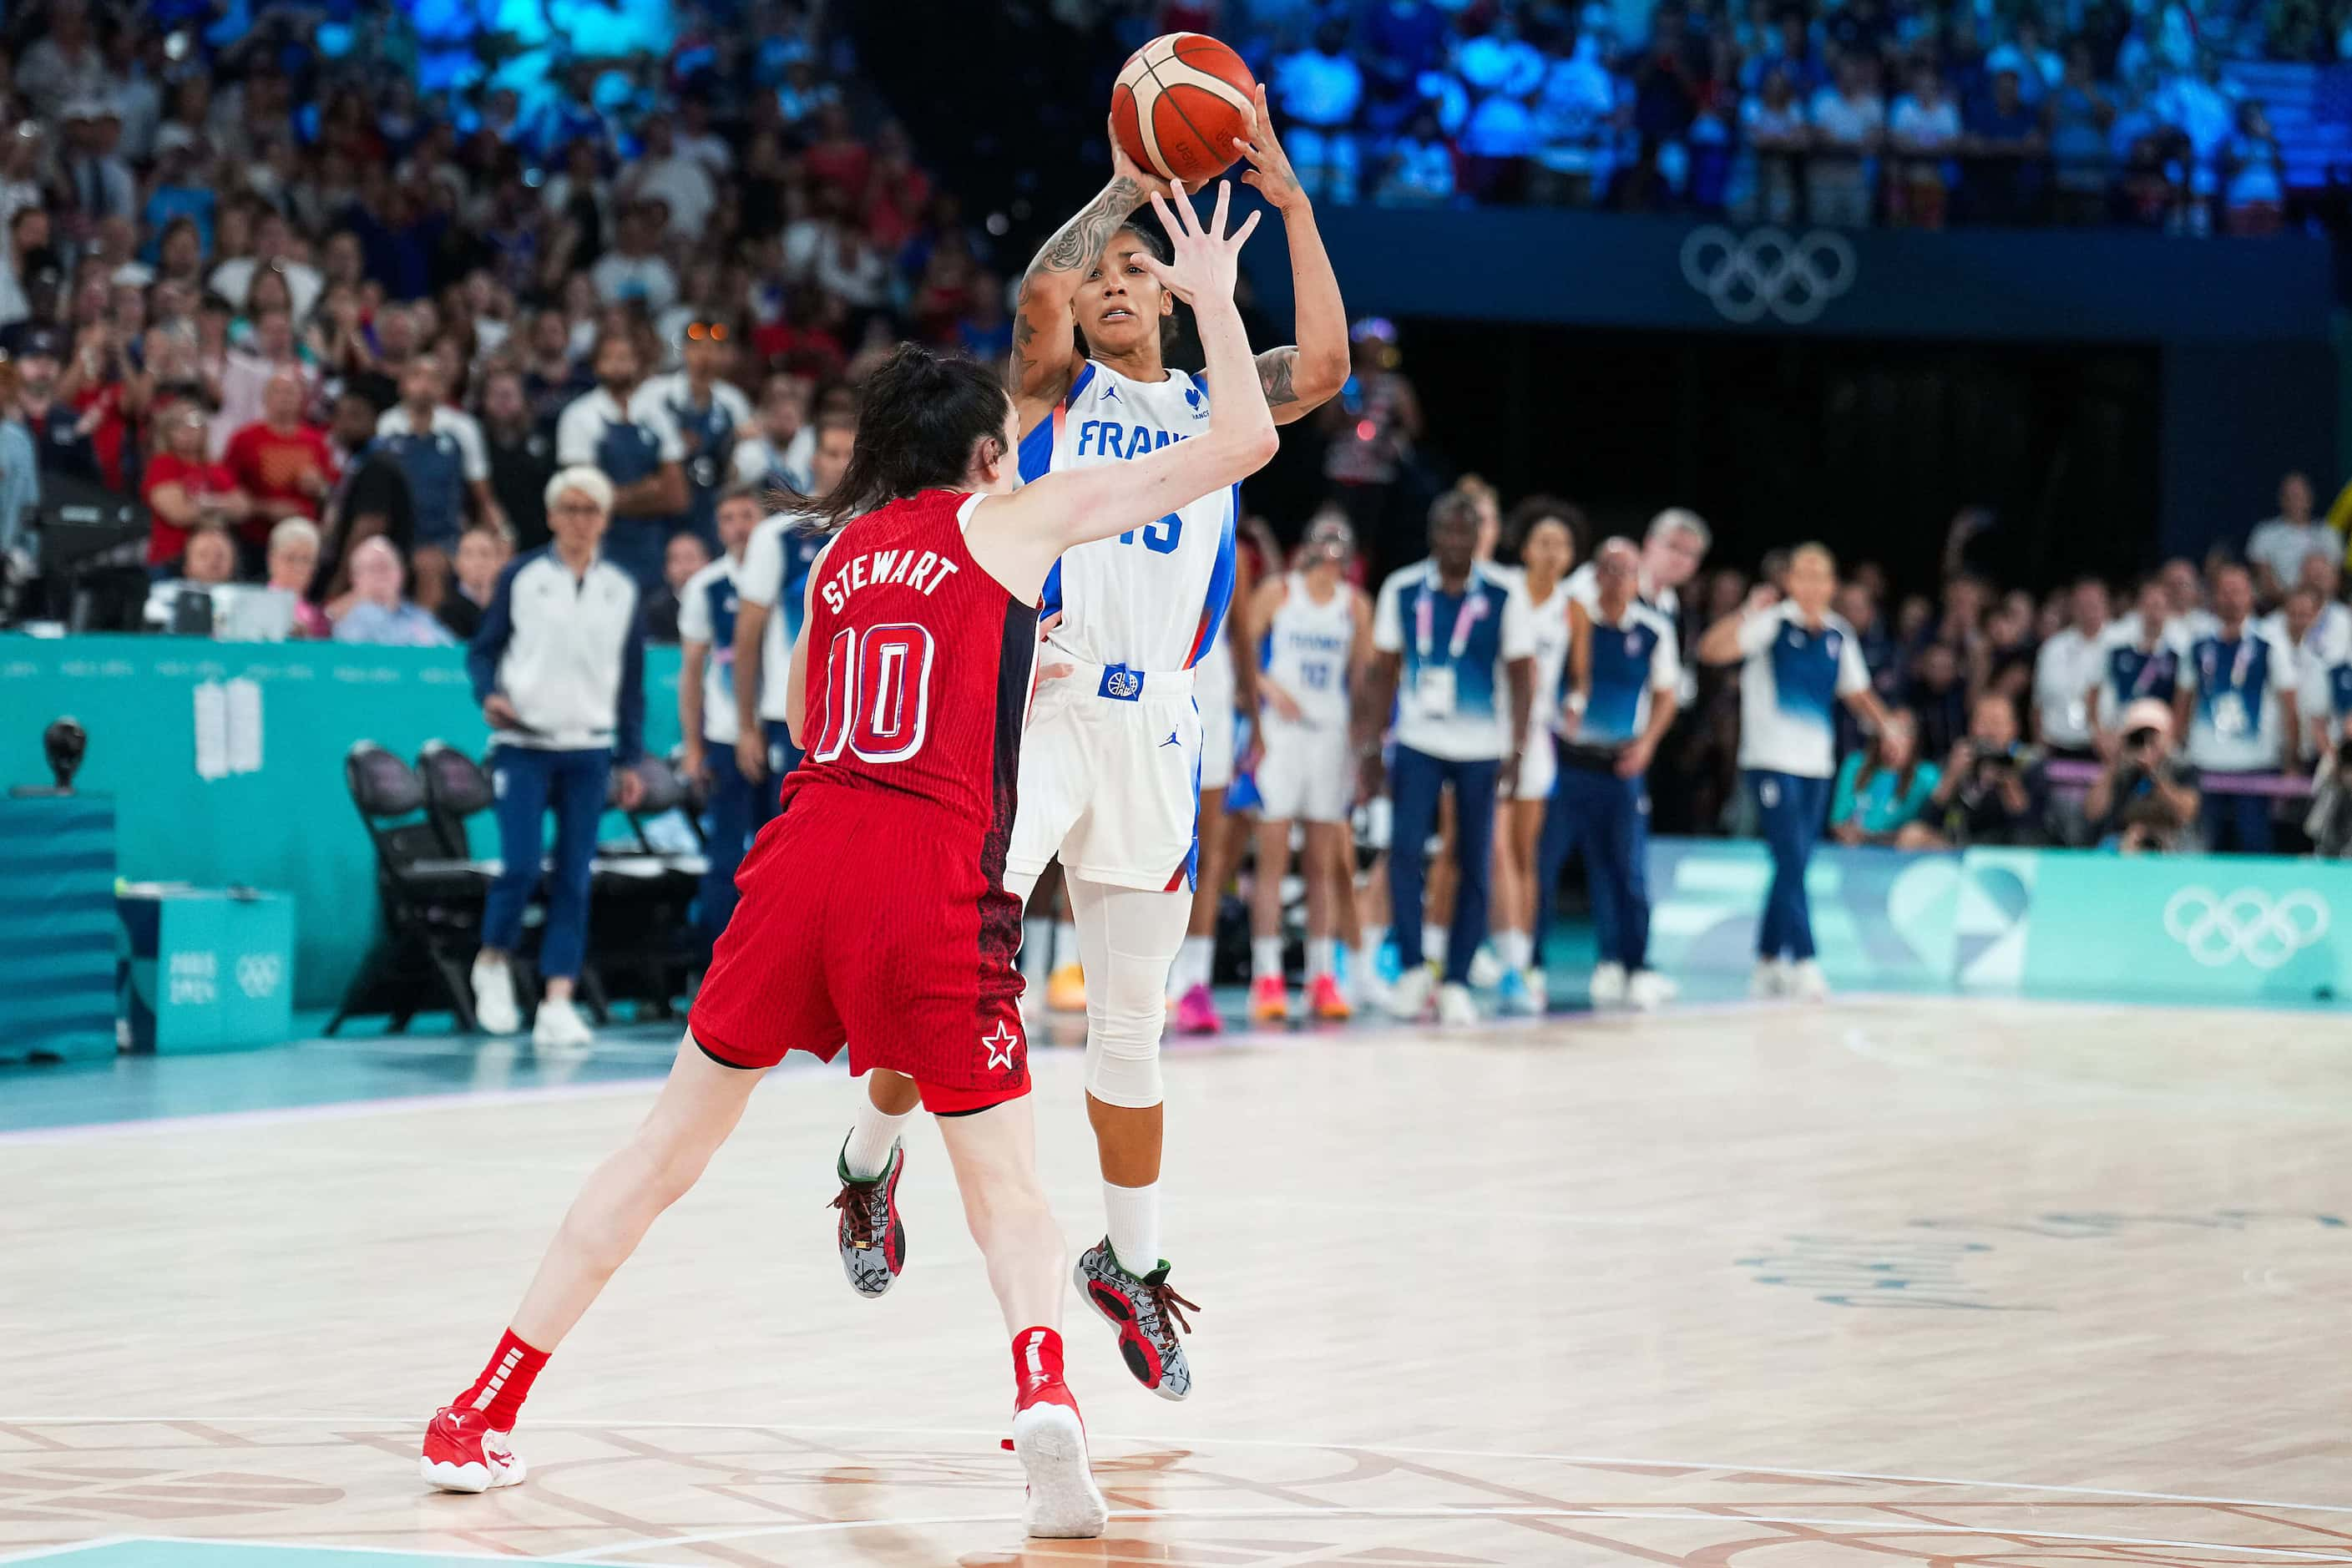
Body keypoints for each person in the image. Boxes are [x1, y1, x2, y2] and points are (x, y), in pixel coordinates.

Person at [420, 190, 1274, 1544]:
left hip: (799, 857)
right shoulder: (1015, 521)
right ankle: (1046, 1398)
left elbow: (837, 717)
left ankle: (483, 1404)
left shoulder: (838, 556)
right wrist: (1217, 292)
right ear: (991, 454)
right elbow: (1241, 437)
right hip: (922, 878)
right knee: (1007, 1190)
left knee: (660, 1151)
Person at [988, 94, 1344, 1400]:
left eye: (1144, 272)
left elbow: (1325, 374)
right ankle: (869, 1162)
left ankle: (1128, 1264)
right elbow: (1039, 285)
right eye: (1107, 278)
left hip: (1160, 730)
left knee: (1127, 1034)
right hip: (1047, 707)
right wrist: (1126, 188)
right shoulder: (1053, 384)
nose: (1119, 283)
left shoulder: (1215, 405)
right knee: (954, 957)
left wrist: (1292, 209)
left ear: (1182, 298)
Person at [465, 467, 650, 1052]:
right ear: (550, 517)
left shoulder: (621, 590)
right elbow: (483, 651)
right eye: (568, 509)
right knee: (520, 866)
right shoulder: (520, 576)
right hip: (523, 746)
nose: (578, 520)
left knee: (574, 877)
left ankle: (558, 1000)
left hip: (589, 750)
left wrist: (629, 758)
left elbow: (632, 684)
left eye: (589, 509)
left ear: (604, 519)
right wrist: (487, 695)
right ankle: (492, 961)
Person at [1361, 490, 1536, 1026]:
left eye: (1465, 530)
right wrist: (1371, 746)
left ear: (1480, 534)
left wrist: (1519, 747)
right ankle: (1414, 970)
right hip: (1417, 742)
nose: (1455, 541)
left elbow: (1522, 675)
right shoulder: (1404, 588)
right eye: (1446, 530)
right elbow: (1383, 672)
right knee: (1406, 852)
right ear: (1432, 533)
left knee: (1475, 861)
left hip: (1482, 749)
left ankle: (1457, 977)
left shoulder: (1506, 593)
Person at [1697, 543, 1890, 1000]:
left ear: (1831, 585)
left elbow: (1856, 692)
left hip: (1816, 766)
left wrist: (1890, 728)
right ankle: (1804, 959)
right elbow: (1711, 650)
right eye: (1800, 573)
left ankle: (1766, 960)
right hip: (1769, 761)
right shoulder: (1772, 623)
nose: (1809, 583)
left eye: (1819, 575)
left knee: (1795, 862)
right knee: (1789, 858)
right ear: (1789, 581)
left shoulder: (1839, 633)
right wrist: (1746, 612)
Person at [1242, 513, 1373, 1024]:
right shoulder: (1281, 592)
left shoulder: (1356, 606)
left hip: (1330, 737)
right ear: (1310, 548)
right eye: (1324, 541)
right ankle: (1267, 976)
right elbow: (1240, 643)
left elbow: (1362, 684)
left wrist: (1364, 754)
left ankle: (1323, 975)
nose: (1331, 551)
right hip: (1282, 735)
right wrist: (1269, 688)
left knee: (1322, 864)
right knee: (1272, 861)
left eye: (1341, 544)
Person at [1555, 537, 1682, 1009]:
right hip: (1568, 763)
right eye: (1608, 568)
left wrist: (1648, 744)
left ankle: (1635, 964)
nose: (1617, 578)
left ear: (1637, 578)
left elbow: (1666, 694)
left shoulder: (1653, 629)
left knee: (1627, 870)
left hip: (1621, 765)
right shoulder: (1573, 619)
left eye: (1627, 570)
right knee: (1547, 866)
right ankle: (1527, 965)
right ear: (1595, 574)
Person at [731, 409, 857, 813]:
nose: (840, 463)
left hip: (857, 719)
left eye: (849, 454)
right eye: (831, 453)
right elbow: (747, 635)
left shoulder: (879, 528)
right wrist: (746, 725)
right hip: (790, 716)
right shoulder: (777, 536)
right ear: (812, 459)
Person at [1488, 499, 1579, 1014]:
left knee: (1522, 856)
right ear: (1524, 549)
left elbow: (1580, 676)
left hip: (1536, 741)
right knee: (1487, 850)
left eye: (1561, 544)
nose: (1552, 551)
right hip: (1489, 731)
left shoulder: (1574, 606)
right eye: (1543, 541)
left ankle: (1519, 963)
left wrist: (1575, 703)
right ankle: (1484, 952)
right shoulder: (1501, 589)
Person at [677, 485, 762, 938]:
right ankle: (711, 966)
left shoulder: (791, 576)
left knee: (781, 855)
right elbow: (691, 673)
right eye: (728, 517)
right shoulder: (706, 586)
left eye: (747, 515)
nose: (739, 527)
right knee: (725, 854)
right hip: (727, 736)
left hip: (782, 731)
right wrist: (694, 746)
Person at [2173, 560, 2299, 853]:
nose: (2230, 598)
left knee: (2254, 845)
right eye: (2224, 591)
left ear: (2250, 595)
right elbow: (2182, 704)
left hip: (2255, 766)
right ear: (2214, 596)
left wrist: (2291, 761)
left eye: (2238, 591)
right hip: (2205, 764)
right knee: (2199, 846)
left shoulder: (2271, 643)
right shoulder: (2198, 644)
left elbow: (2289, 706)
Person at [554, 328, 687, 593]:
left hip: (655, 547)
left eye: (625, 357)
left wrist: (616, 497)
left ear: (637, 363)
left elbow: (677, 497)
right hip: (603, 547)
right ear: (597, 365)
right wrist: (648, 489)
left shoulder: (656, 415)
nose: (618, 365)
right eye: (610, 358)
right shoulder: (579, 416)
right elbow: (586, 502)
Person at [643, 317, 752, 549]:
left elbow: (748, 456)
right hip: (665, 502)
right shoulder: (655, 393)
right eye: (698, 347)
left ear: (724, 356)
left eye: (713, 349)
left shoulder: (733, 400)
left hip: (713, 498)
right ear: (685, 351)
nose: (705, 355)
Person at [1925, 692, 2049, 846]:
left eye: (1997, 723)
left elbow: (2032, 827)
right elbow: (1928, 821)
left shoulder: (2030, 764)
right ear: (1970, 727)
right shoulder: (1956, 761)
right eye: (1983, 722)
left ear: (2014, 728)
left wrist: (2009, 782)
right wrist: (1951, 777)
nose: (1990, 732)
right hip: (1958, 848)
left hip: (2011, 850)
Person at [223, 367, 337, 534]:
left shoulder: (317, 441)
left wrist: (319, 486)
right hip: (254, 534)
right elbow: (228, 490)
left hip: (303, 533)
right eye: (278, 392)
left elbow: (330, 489)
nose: (285, 398)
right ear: (265, 398)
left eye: (290, 392)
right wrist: (265, 508)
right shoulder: (243, 439)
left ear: (301, 399)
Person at [142, 402, 251, 569]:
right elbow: (178, 513)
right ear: (167, 432)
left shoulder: (215, 467)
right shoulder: (163, 464)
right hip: (173, 559)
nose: (188, 431)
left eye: (194, 423)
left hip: (216, 561)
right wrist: (222, 506)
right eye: (178, 425)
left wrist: (205, 503)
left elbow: (243, 509)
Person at [2086, 696, 2202, 853]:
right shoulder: (2123, 771)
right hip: (2124, 843)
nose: (2146, 744)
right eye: (2139, 736)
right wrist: (2113, 764)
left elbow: (2187, 812)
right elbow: (2093, 812)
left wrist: (2155, 773)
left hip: (2171, 845)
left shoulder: (2181, 767)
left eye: (2153, 737)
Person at [2088, 575, 2182, 751]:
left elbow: (2183, 699)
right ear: (2140, 607)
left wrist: (2172, 739)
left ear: (2168, 609)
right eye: (2149, 605)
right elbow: (2093, 690)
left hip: (2161, 740)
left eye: (2159, 606)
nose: (2154, 613)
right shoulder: (2115, 646)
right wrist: (2099, 733)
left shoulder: (2178, 652)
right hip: (2121, 737)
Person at [1828, 706, 1942, 846]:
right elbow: (1837, 821)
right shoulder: (1856, 765)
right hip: (1853, 851)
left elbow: (1930, 827)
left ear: (1915, 740)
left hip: (1901, 854)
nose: (1894, 742)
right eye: (1890, 733)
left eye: (1903, 734)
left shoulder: (1927, 776)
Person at [2031, 577, 2108, 761]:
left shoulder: (2119, 644)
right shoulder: (2052, 648)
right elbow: (2037, 704)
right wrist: (2040, 746)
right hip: (2055, 748)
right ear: (2072, 607)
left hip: (2103, 751)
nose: (2088, 610)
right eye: (2082, 604)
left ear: (2106, 605)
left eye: (2094, 603)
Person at [335, 536, 457, 647]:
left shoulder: (420, 616)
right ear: (354, 578)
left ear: (401, 574)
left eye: (385, 567)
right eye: (372, 568)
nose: (380, 576)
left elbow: (449, 649)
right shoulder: (345, 617)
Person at [2247, 472, 2334, 606]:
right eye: (2290, 496)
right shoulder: (2264, 534)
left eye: (2300, 495)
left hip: (2324, 609)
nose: (2296, 501)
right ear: (2281, 499)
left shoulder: (2327, 533)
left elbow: (2335, 580)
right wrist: (2296, 602)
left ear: (2310, 498)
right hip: (2279, 608)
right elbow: (2265, 582)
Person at [437, 522, 510, 643]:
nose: (478, 562)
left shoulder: (510, 604)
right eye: (468, 554)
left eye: (485, 554)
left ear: (499, 562)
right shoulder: (446, 611)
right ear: (456, 563)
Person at [265, 518, 332, 639]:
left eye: (306, 559)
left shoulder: (320, 618)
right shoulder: (256, 606)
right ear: (272, 560)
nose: (299, 567)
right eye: (290, 558)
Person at [644, 530, 710, 644]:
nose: (685, 568)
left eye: (690, 558)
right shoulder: (655, 610)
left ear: (708, 563)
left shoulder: (722, 603)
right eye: (676, 560)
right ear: (665, 570)